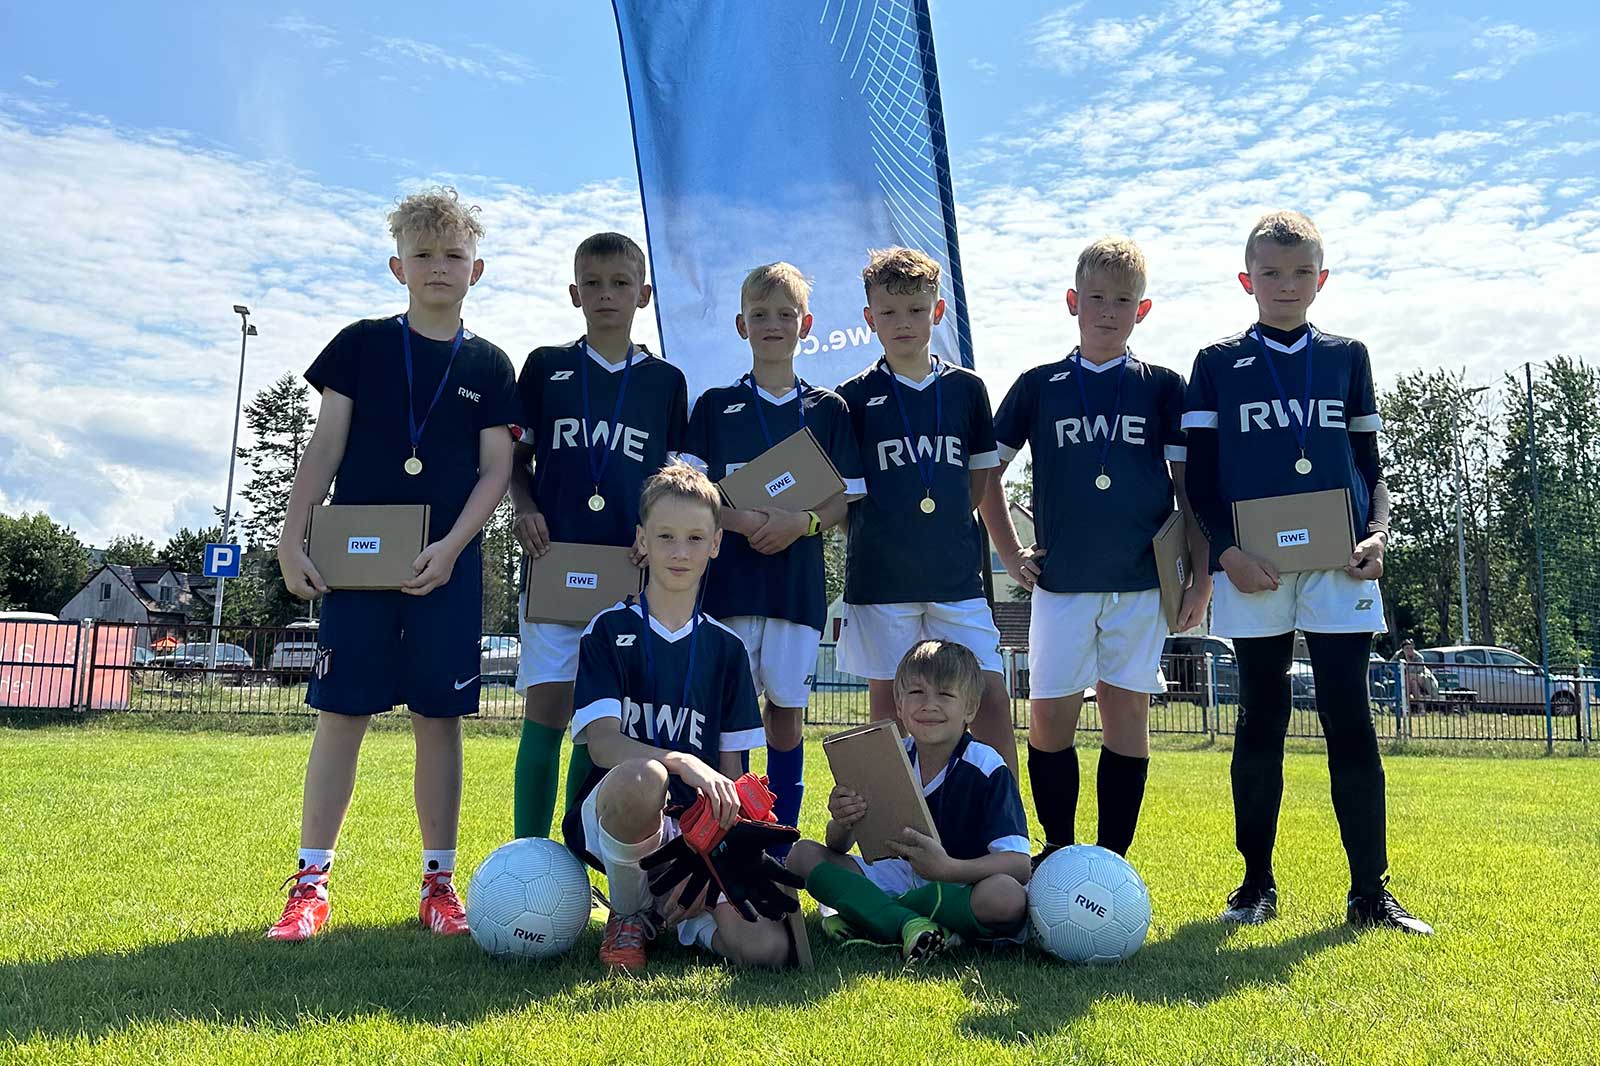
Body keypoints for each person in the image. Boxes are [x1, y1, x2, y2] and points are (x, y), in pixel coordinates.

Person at [268, 187, 519, 941]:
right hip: (360, 559)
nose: (438, 266)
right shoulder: (360, 345)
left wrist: (452, 548)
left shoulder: (490, 363)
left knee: (439, 721)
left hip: (445, 564)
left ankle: (438, 884)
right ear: (396, 266)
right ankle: (310, 886)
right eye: (423, 254)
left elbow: (496, 470)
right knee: (341, 711)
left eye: (453, 255)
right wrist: (292, 536)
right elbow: (326, 446)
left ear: (477, 269)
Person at [1182, 210, 1431, 935]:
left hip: (1339, 563)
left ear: (1321, 278)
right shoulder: (1216, 361)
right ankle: (1255, 884)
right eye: (1270, 272)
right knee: (1261, 716)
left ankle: (1369, 893)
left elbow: (1372, 470)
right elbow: (1197, 478)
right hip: (1251, 563)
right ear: (1246, 279)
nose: (1285, 285)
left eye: (1299, 273)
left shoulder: (1348, 355)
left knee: (1349, 716)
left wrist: (1380, 533)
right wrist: (1225, 551)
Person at [978, 237, 1210, 863]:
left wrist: (1201, 577)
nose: (1109, 311)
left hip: (1141, 583)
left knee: (1125, 717)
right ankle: (1057, 849)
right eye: (1098, 299)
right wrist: (1008, 551)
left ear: (1144, 308)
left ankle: (1111, 859)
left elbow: (1191, 490)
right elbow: (985, 476)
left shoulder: (1164, 387)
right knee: (1049, 716)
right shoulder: (1039, 385)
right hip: (1063, 582)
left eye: (1124, 301)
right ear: (1073, 301)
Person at [563, 462, 792, 970]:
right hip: (617, 813)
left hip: (695, 834)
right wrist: (684, 761)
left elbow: (733, 773)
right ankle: (627, 911)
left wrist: (722, 858)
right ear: (641, 541)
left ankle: (673, 916)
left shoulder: (727, 649)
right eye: (665, 537)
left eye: (694, 538)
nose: (680, 552)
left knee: (766, 949)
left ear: (715, 544)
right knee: (645, 776)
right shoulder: (607, 629)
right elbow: (602, 744)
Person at [508, 233, 689, 840]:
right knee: (547, 713)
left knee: (601, 720)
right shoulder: (545, 366)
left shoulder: (665, 381)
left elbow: (678, 481)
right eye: (592, 283)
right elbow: (514, 459)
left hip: (627, 575)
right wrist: (524, 505)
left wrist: (655, 532)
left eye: (619, 283)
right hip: (554, 563)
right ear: (573, 292)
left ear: (643, 292)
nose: (605, 294)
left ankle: (582, 856)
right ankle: (528, 855)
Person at [679, 263, 866, 845]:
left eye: (785, 314)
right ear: (740, 325)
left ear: (805, 325)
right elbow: (692, 495)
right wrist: (746, 521)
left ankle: (780, 839)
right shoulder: (714, 406)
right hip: (728, 589)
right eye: (760, 315)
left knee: (786, 716)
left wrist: (800, 523)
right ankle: (711, 833)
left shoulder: (829, 411)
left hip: (794, 593)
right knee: (719, 718)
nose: (773, 325)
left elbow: (844, 500)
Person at [834, 247, 1017, 773]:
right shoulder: (853, 398)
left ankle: (1005, 831)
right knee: (888, 710)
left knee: (986, 695)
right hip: (880, 580)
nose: (903, 323)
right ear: (870, 320)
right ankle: (890, 834)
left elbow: (981, 480)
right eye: (888, 313)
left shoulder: (967, 389)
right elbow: (847, 500)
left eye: (916, 310)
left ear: (937, 311)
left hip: (955, 577)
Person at [787, 640, 1031, 961]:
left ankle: (874, 915)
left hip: (962, 881)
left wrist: (948, 868)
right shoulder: (886, 756)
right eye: (916, 693)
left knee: (1007, 897)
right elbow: (838, 846)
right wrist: (842, 821)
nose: (929, 705)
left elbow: (1018, 865)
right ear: (899, 706)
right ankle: (910, 923)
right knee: (801, 855)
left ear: (970, 709)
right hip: (895, 875)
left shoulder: (987, 767)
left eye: (945, 695)